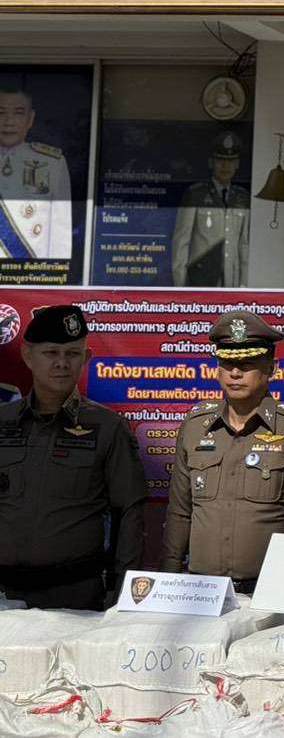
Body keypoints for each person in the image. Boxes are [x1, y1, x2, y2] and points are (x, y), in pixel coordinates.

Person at [161, 310, 284, 592]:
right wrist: (168, 579)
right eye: (227, 363)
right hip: (200, 591)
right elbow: (180, 511)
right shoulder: (195, 425)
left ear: (272, 367)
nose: (235, 373)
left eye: (247, 364)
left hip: (269, 590)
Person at [0, 305, 146, 609]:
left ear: (86, 358)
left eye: (73, 353)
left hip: (75, 598)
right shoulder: (3, 421)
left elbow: (130, 512)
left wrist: (123, 595)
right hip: (4, 596)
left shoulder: (109, 427)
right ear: (28, 355)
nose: (62, 363)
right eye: (51, 353)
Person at [0, 83, 72, 263]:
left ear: (30, 119)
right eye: (1, 113)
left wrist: (55, 273)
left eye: (18, 113)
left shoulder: (52, 163)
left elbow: (60, 232)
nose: (8, 122)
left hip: (30, 273)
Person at [172, 132, 251, 287]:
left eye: (231, 160)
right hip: (201, 282)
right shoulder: (196, 194)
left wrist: (243, 285)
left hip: (231, 282)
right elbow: (181, 242)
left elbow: (244, 244)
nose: (225, 165)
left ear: (237, 164)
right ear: (211, 162)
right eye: (220, 160)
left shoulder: (242, 197)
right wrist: (180, 287)